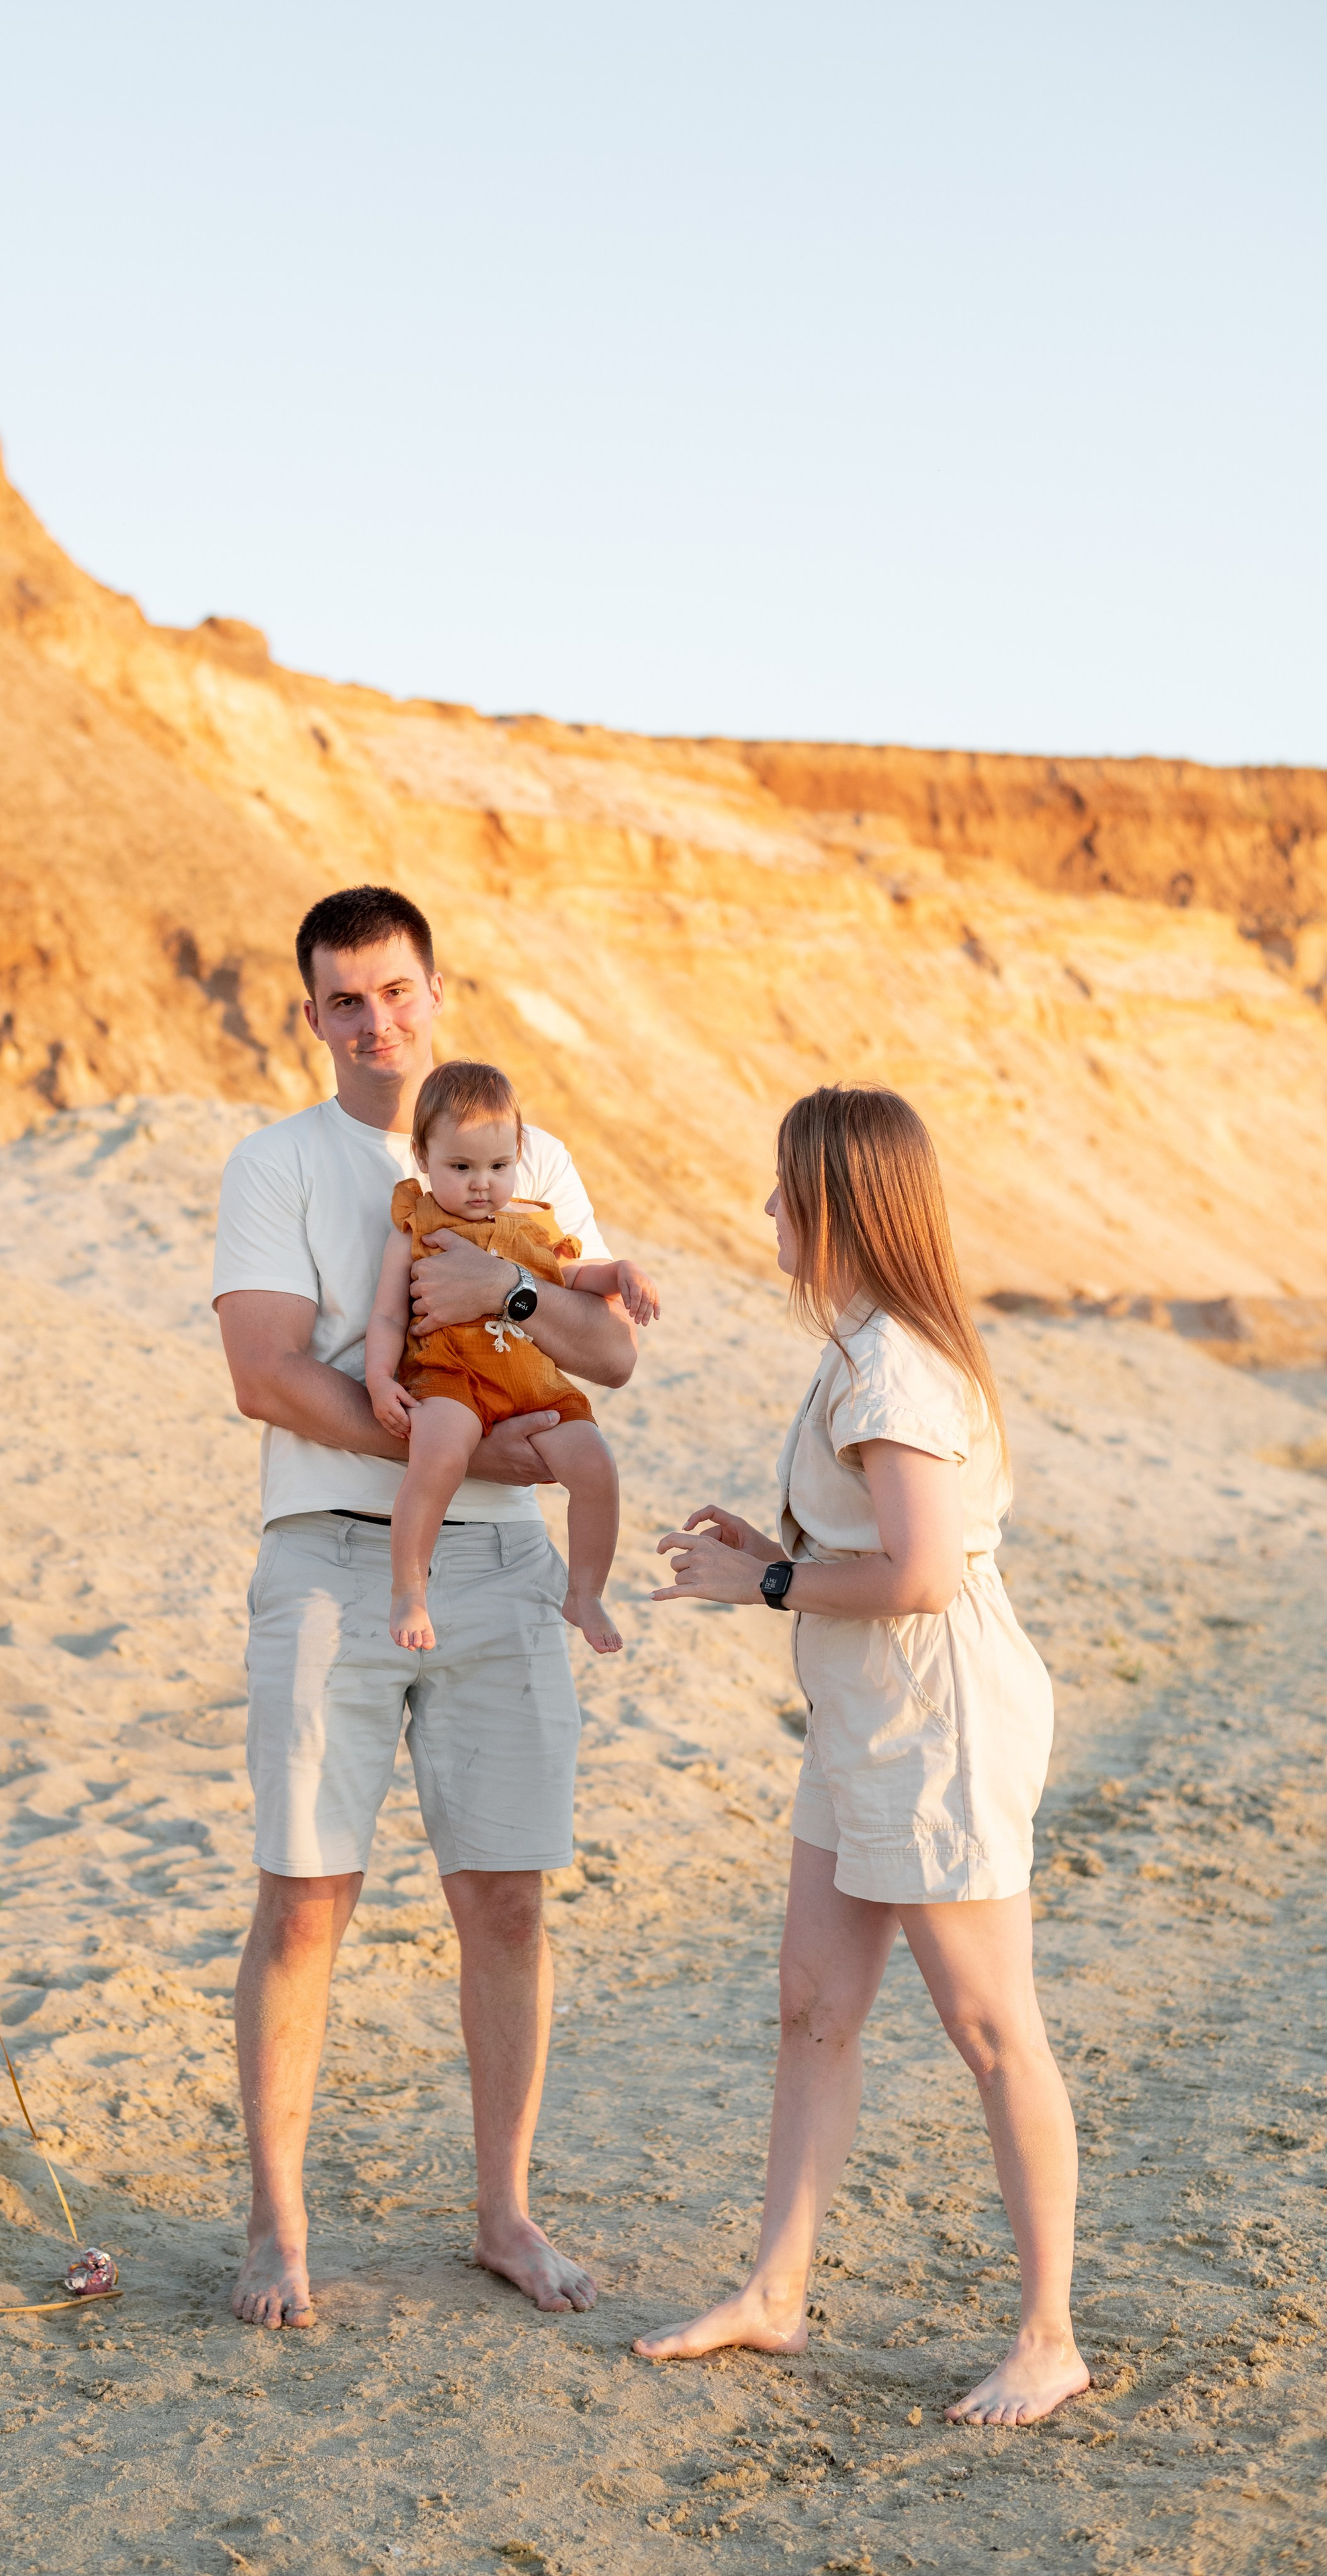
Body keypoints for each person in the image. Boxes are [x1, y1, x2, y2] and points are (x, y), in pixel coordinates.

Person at [211, 883, 639, 2329]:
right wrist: (464, 1448)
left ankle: (504, 2216)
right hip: (330, 1559)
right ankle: (277, 2230)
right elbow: (266, 1374)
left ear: (437, 991)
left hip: (507, 1565)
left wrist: (504, 1299)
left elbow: (610, 1355)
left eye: (396, 989)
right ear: (312, 1014)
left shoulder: (531, 1155)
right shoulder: (276, 1162)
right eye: (345, 998)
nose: (374, 1020)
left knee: (505, 1897)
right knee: (305, 1899)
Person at [636, 1083, 1087, 2428]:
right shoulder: (863, 1347)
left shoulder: (892, 1364)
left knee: (992, 2029)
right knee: (812, 2002)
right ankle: (773, 2292)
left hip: (935, 1716)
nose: (767, 1207)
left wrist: (766, 1581)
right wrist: (770, 1550)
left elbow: (922, 1574)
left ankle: (1048, 2339)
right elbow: (872, 1547)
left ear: (839, 1205)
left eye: (787, 1187)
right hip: (865, 1715)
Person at [364, 1057, 658, 1657]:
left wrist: (622, 1272)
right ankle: (408, 1589)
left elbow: (573, 1276)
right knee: (438, 1456)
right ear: (423, 1156)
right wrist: (377, 1378)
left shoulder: (530, 1224)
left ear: (517, 1155)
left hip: (530, 1380)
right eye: (461, 1167)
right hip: (451, 1375)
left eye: (498, 1166)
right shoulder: (415, 1227)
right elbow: (390, 1315)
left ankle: (585, 1592)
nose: (482, 1183)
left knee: (595, 1464)